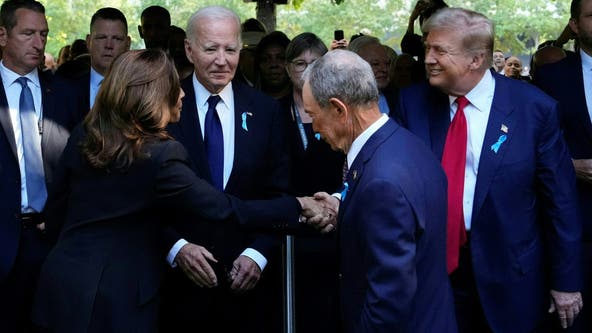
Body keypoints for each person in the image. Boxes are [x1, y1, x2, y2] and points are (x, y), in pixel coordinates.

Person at [30, 48, 330, 333]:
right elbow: (222, 208)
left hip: (62, 286)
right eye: (175, 86)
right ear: (153, 95)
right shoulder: (161, 154)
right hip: (118, 299)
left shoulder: (86, 132)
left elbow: (57, 211)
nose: (184, 93)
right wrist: (298, 205)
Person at [395, 7, 583, 333]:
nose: (428, 59)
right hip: (432, 276)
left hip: (512, 277)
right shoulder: (411, 104)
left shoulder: (534, 110)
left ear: (476, 59)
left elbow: (560, 202)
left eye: (440, 50)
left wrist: (566, 281)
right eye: (427, 48)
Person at [302, 49, 457, 333]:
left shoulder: (382, 182)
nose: (314, 128)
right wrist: (344, 206)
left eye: (313, 114)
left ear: (339, 109)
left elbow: (388, 299)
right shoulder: (407, 145)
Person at [159, 6, 292, 333]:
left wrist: (258, 253)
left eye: (230, 49)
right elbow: (144, 196)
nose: (222, 60)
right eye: (210, 49)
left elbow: (280, 193)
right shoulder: (161, 108)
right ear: (189, 50)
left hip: (249, 289)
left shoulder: (266, 111)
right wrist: (177, 249)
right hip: (178, 290)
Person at [0, 1, 85, 331]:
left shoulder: (66, 93)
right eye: (28, 34)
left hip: (53, 241)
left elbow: (81, 164)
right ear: (3, 35)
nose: (39, 43)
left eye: (44, 34)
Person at [279, 32, 345, 333]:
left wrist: (332, 204)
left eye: (314, 63)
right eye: (299, 63)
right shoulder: (271, 112)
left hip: (331, 223)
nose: (307, 70)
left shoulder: (338, 110)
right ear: (286, 67)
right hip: (287, 228)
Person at [534, 1, 592, 331]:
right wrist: (568, 166)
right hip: (575, 231)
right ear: (574, 25)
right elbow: (530, 151)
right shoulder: (552, 78)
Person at [349, 35, 397, 114]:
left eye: (387, 64)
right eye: (375, 64)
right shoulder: (341, 103)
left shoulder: (397, 99)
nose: (384, 69)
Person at [255, 31, 291, 99]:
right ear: (258, 65)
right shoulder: (247, 102)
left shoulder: (303, 103)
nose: (273, 64)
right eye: (266, 59)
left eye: (281, 58)